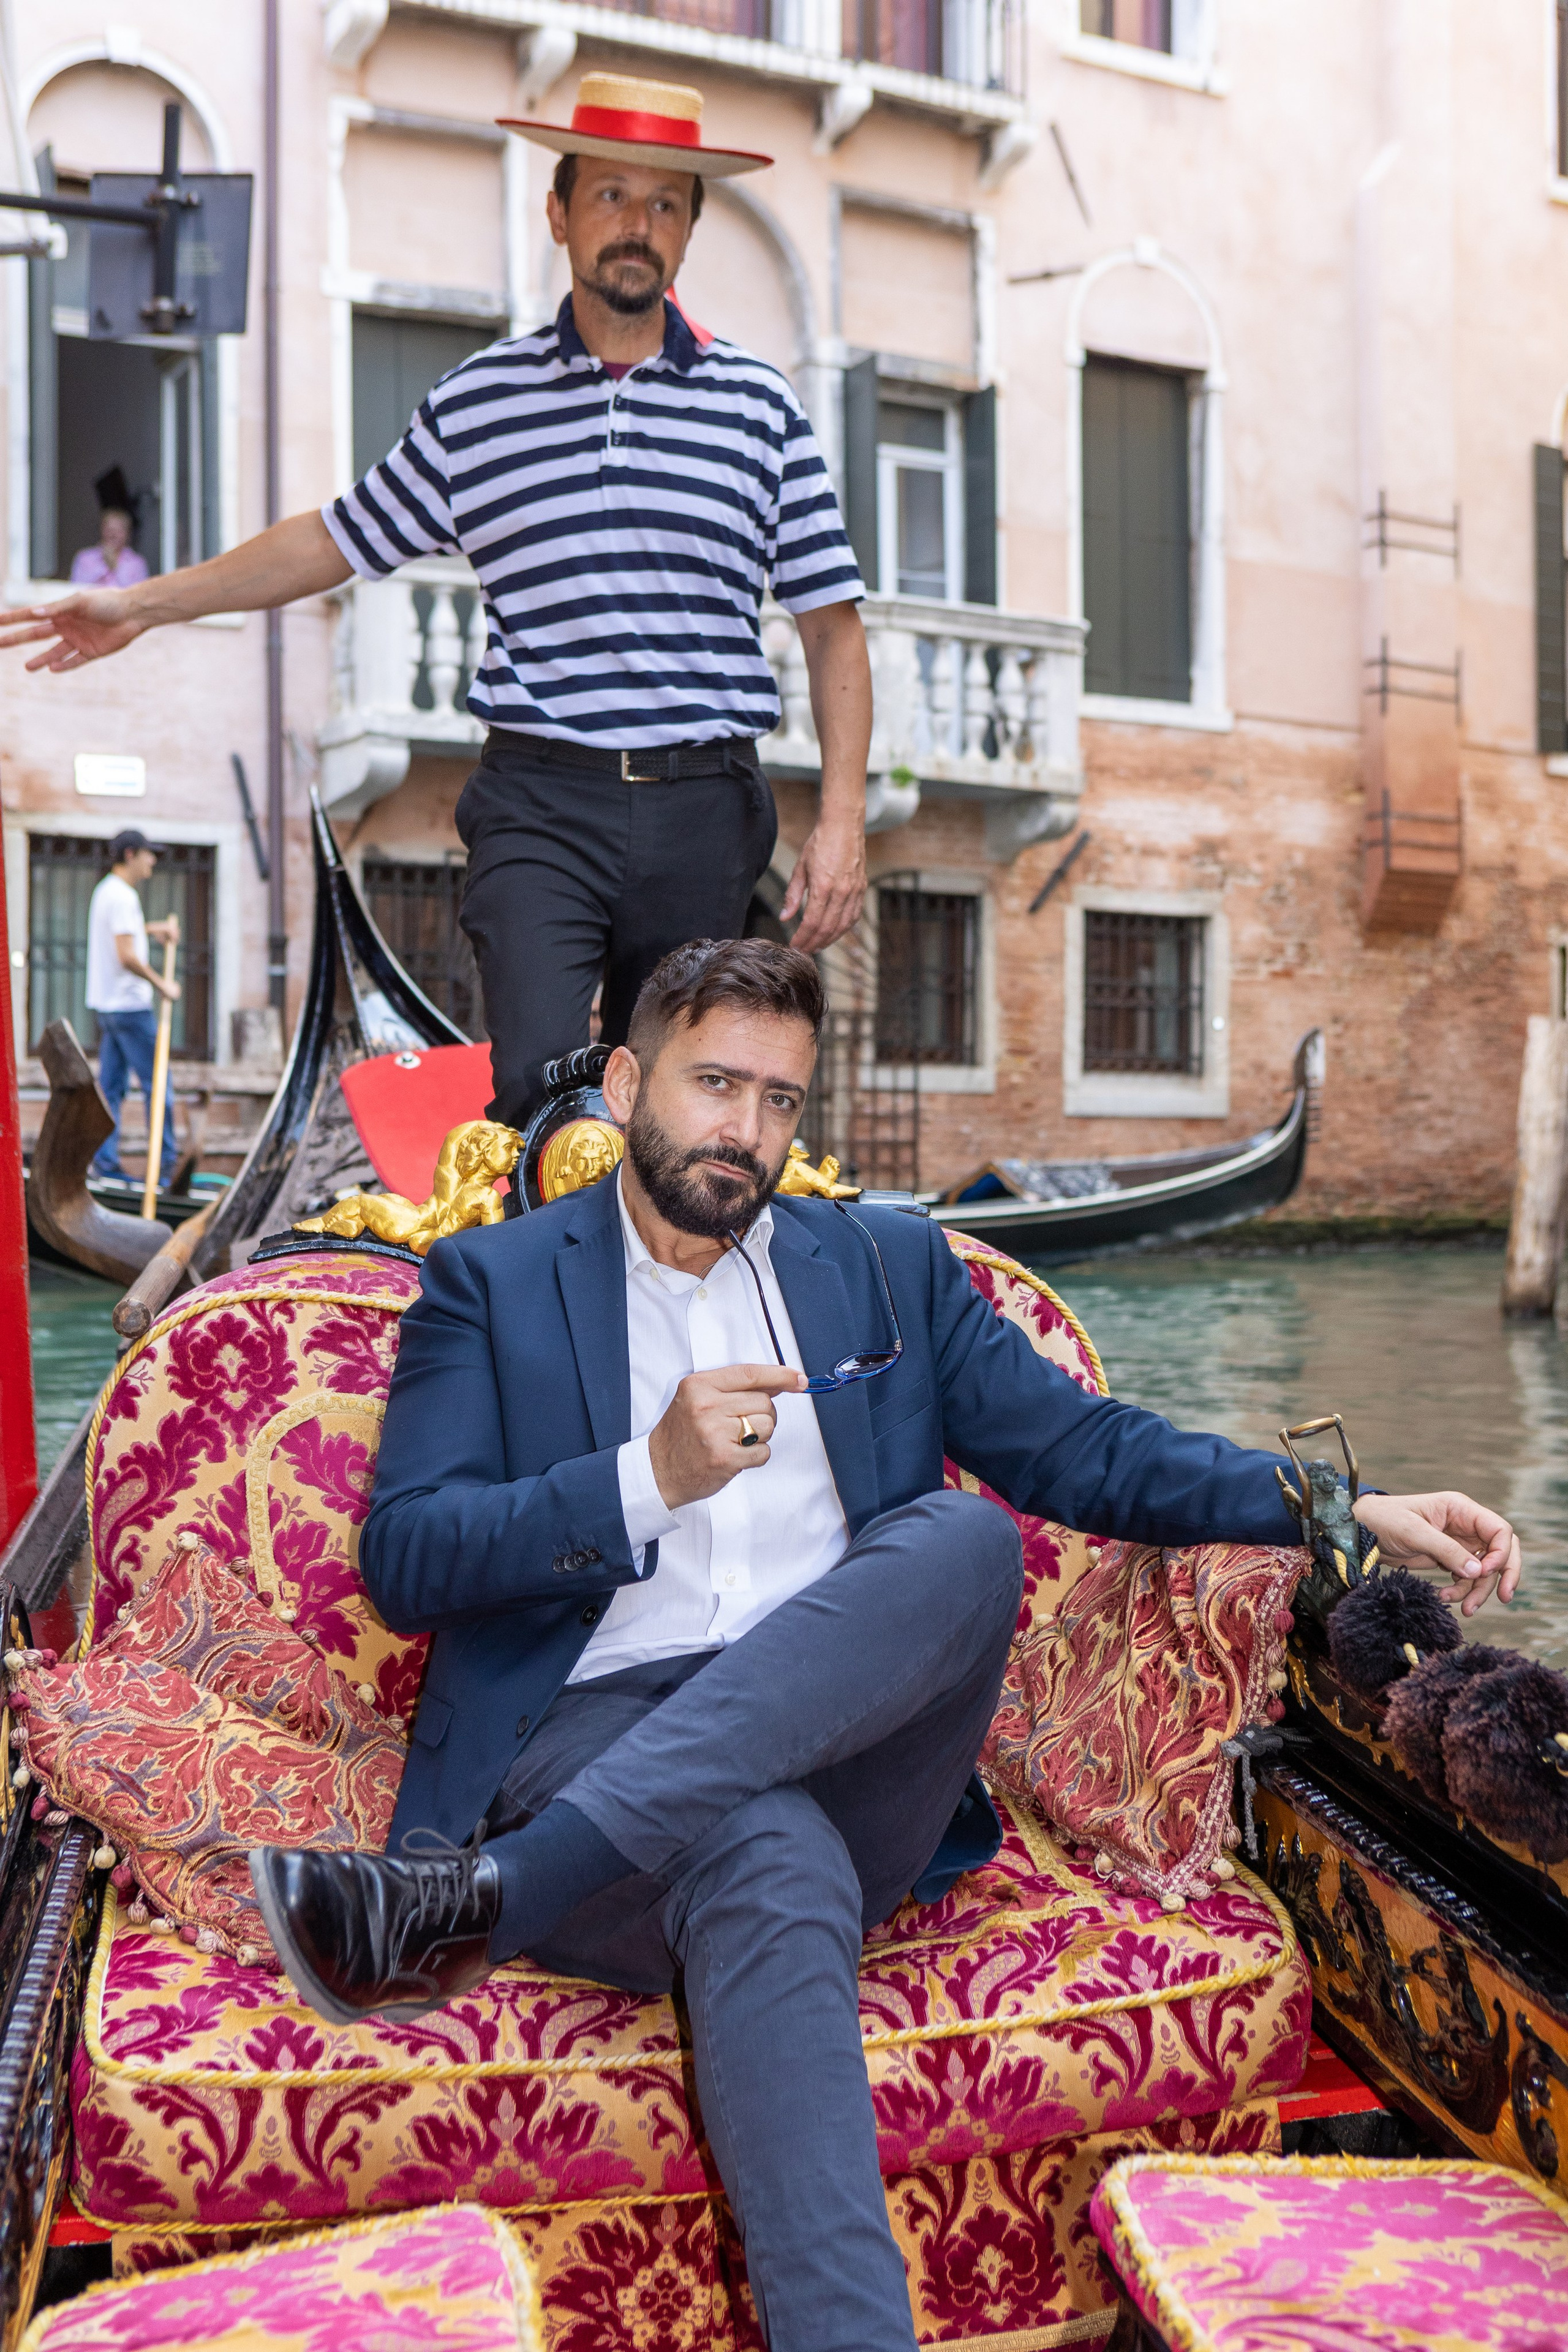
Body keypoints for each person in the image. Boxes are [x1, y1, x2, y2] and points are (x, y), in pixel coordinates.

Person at [247, 936, 1522, 2352]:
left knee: (960, 1540)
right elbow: (409, 1560)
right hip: (589, 1746)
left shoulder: (880, 1264)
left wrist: (1344, 1502)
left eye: (778, 1099)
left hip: (856, 1757)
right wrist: (644, 1474)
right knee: (766, 1851)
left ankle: (475, 1904)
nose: (742, 1128)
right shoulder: (489, 1285)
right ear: (625, 1083)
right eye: (712, 1082)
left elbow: (1080, 1447)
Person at [0, 73, 872, 1139]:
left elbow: (833, 625)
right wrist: (145, 605)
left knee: (686, 1111)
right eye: (610, 196)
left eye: (663, 203)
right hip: (543, 804)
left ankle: (669, 1299)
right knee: (544, 1101)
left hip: (707, 806)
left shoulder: (760, 408)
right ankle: (550, 1291)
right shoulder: (480, 403)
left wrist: (841, 822)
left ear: (690, 228)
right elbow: (334, 538)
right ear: (559, 213)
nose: (635, 226)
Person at [85, 829, 179, 1188]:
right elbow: (126, 955)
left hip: (108, 1007)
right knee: (158, 1086)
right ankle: (166, 1168)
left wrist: (151, 929)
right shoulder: (123, 897)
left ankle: (105, 1163)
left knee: (110, 1087)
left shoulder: (106, 890)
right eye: (148, 854)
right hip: (131, 1007)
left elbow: (122, 934)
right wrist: (163, 985)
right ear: (130, 855)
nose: (152, 861)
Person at [69, 504, 148, 589]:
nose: (113, 535)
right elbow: (76, 589)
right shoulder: (84, 558)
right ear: (102, 530)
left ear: (128, 534)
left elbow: (138, 595)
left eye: (119, 530)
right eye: (109, 530)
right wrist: (103, 568)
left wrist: (115, 567)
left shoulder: (137, 563)